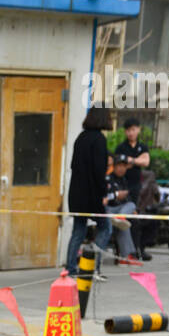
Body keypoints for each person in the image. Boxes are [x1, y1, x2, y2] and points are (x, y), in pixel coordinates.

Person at [65, 106, 113, 279]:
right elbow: (99, 171)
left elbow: (74, 166)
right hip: (92, 195)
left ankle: (70, 268)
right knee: (105, 228)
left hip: (77, 194)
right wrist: (103, 194)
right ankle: (92, 267)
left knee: (78, 230)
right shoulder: (99, 140)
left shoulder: (81, 138)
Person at [113, 116, 150, 254]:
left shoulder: (143, 146)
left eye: (133, 130)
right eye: (128, 130)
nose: (131, 133)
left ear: (138, 130)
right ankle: (120, 250)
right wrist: (136, 161)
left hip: (136, 186)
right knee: (121, 217)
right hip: (121, 186)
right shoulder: (121, 147)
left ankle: (136, 250)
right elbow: (119, 167)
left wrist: (130, 161)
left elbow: (146, 162)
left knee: (134, 217)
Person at [104, 156, 139, 264]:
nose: (121, 169)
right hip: (108, 210)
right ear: (114, 167)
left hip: (120, 211)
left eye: (124, 166)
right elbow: (104, 198)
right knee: (122, 222)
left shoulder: (124, 180)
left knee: (124, 221)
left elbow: (128, 200)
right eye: (119, 166)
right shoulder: (108, 179)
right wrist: (116, 195)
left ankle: (124, 258)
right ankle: (127, 256)